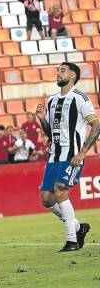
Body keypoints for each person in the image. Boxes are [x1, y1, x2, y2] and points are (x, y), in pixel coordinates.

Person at [35, 61, 98, 252]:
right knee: (46, 199)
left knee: (60, 189)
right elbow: (51, 132)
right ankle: (78, 228)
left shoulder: (80, 98)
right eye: (57, 70)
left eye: (62, 70)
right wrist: (42, 119)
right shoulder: (53, 100)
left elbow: (96, 126)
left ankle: (72, 240)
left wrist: (82, 152)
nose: (58, 73)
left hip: (73, 155)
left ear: (72, 76)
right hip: (54, 155)